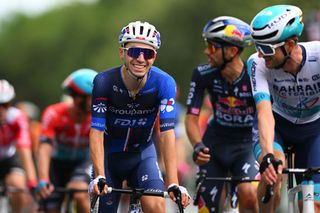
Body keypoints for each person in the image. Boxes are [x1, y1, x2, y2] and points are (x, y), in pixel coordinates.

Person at [88, 20, 190, 213]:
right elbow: (96, 131)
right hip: (110, 157)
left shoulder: (165, 83)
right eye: (134, 52)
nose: (141, 59)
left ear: (154, 57)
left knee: (156, 206)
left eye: (148, 53)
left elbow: (167, 133)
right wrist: (99, 175)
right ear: (122, 53)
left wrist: (173, 183)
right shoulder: (104, 82)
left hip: (142, 155)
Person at [248, 4, 320, 213]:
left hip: (313, 131)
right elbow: (264, 112)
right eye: (257, 46)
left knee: (312, 204)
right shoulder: (257, 63)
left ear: (290, 44)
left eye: (267, 49)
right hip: (277, 125)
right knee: (273, 171)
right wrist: (268, 155)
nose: (261, 55)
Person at [185, 16, 259, 213]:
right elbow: (191, 117)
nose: (206, 52)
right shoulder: (202, 74)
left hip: (246, 146)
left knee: (249, 195)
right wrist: (197, 145)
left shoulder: (254, 76)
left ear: (232, 51)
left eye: (212, 47)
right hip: (214, 146)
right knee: (205, 210)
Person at [36, 69, 97, 213]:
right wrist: (43, 179)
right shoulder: (53, 113)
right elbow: (44, 148)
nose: (96, 101)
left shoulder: (98, 117)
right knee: (50, 207)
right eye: (92, 97)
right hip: (56, 163)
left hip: (83, 161)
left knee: (79, 192)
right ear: (78, 97)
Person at [0, 79, 38, 213]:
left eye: (6, 105)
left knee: (17, 185)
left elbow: (24, 149)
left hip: (9, 157)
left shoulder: (17, 117)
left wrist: (32, 182)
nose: (2, 109)